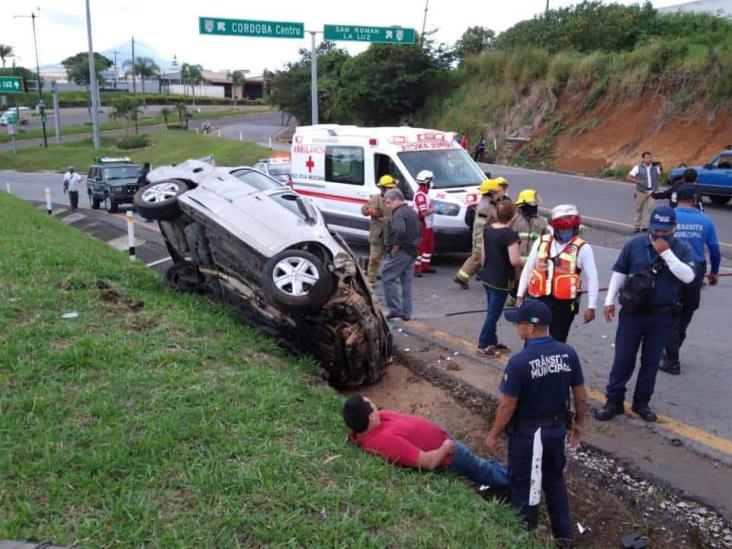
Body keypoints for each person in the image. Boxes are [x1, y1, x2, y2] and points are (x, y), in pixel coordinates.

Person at [484, 299, 587, 546]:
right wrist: (579, 423)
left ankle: (523, 535)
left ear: (530, 328)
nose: (516, 327)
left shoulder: (519, 362)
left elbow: (507, 405)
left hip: (528, 436)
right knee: (554, 481)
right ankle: (564, 538)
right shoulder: (568, 353)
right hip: (556, 431)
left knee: (522, 484)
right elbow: (580, 395)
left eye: (518, 323)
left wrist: (494, 434)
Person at [596, 206, 695, 422]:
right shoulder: (635, 244)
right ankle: (613, 402)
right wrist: (609, 300)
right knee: (623, 359)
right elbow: (620, 271)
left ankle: (642, 403)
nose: (659, 235)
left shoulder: (682, 248)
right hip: (633, 313)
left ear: (674, 228)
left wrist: (666, 253)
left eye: (664, 231)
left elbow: (688, 276)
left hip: (662, 316)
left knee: (650, 362)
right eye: (656, 230)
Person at [343, 395, 509, 489]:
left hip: (442, 439)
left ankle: (503, 472)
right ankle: (514, 484)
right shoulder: (385, 442)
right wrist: (445, 447)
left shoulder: (372, 425)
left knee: (481, 464)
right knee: (482, 469)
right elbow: (428, 462)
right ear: (371, 417)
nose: (376, 406)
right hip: (450, 454)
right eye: (373, 405)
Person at [660, 185, 720, 375]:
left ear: (676, 199)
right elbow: (715, 250)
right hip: (695, 272)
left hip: (671, 269)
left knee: (670, 314)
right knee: (687, 310)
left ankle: (672, 358)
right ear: (695, 200)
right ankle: (673, 348)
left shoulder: (669, 217)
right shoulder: (706, 221)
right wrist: (714, 272)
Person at [517, 204, 599, 343]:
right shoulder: (541, 242)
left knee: (557, 341)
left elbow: (593, 278)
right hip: (538, 300)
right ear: (554, 229)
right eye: (562, 229)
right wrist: (520, 296)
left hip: (564, 305)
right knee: (532, 338)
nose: (566, 232)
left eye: (569, 229)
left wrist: (592, 306)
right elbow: (528, 269)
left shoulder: (583, 248)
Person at [477, 201, 523, 356]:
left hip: (488, 276)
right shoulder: (510, 234)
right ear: (513, 215)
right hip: (501, 279)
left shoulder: (488, 230)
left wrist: (485, 269)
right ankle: (483, 344)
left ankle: (492, 340)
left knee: (492, 310)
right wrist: (529, 261)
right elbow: (515, 260)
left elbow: (483, 254)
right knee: (493, 314)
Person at [454, 179, 503, 290]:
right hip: (482, 238)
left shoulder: (489, 203)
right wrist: (481, 243)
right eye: (496, 191)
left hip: (483, 238)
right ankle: (464, 278)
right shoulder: (485, 207)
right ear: (491, 192)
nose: (498, 193)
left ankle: (462, 277)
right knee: (482, 259)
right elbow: (481, 226)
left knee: (476, 259)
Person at [381, 188, 421, 321]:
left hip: (402, 250)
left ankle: (395, 309)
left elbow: (400, 230)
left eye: (389, 202)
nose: (388, 205)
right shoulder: (411, 212)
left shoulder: (398, 213)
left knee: (387, 277)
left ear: (397, 200)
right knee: (406, 282)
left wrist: (395, 248)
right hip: (413, 250)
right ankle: (406, 312)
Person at [361, 175, 396, 285]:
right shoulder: (376, 198)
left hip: (391, 234)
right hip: (378, 235)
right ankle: (371, 280)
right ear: (383, 188)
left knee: (392, 259)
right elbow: (363, 210)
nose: (390, 190)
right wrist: (369, 210)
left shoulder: (396, 200)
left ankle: (392, 278)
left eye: (392, 188)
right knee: (374, 258)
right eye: (388, 188)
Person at [627, 151, 662, 233]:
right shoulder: (637, 167)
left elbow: (660, 175)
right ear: (643, 159)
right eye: (647, 157)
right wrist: (638, 181)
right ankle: (637, 226)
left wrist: (660, 168)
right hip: (641, 191)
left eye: (650, 157)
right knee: (639, 209)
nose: (649, 159)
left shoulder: (655, 167)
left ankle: (646, 226)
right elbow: (628, 177)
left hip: (652, 191)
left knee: (651, 209)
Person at [413, 170, 436, 277]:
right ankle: (416, 268)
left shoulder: (425, 194)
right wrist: (434, 210)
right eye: (431, 180)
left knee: (428, 246)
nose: (432, 182)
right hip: (422, 225)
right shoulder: (420, 195)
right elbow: (423, 213)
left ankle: (425, 266)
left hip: (428, 225)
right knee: (421, 247)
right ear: (426, 181)